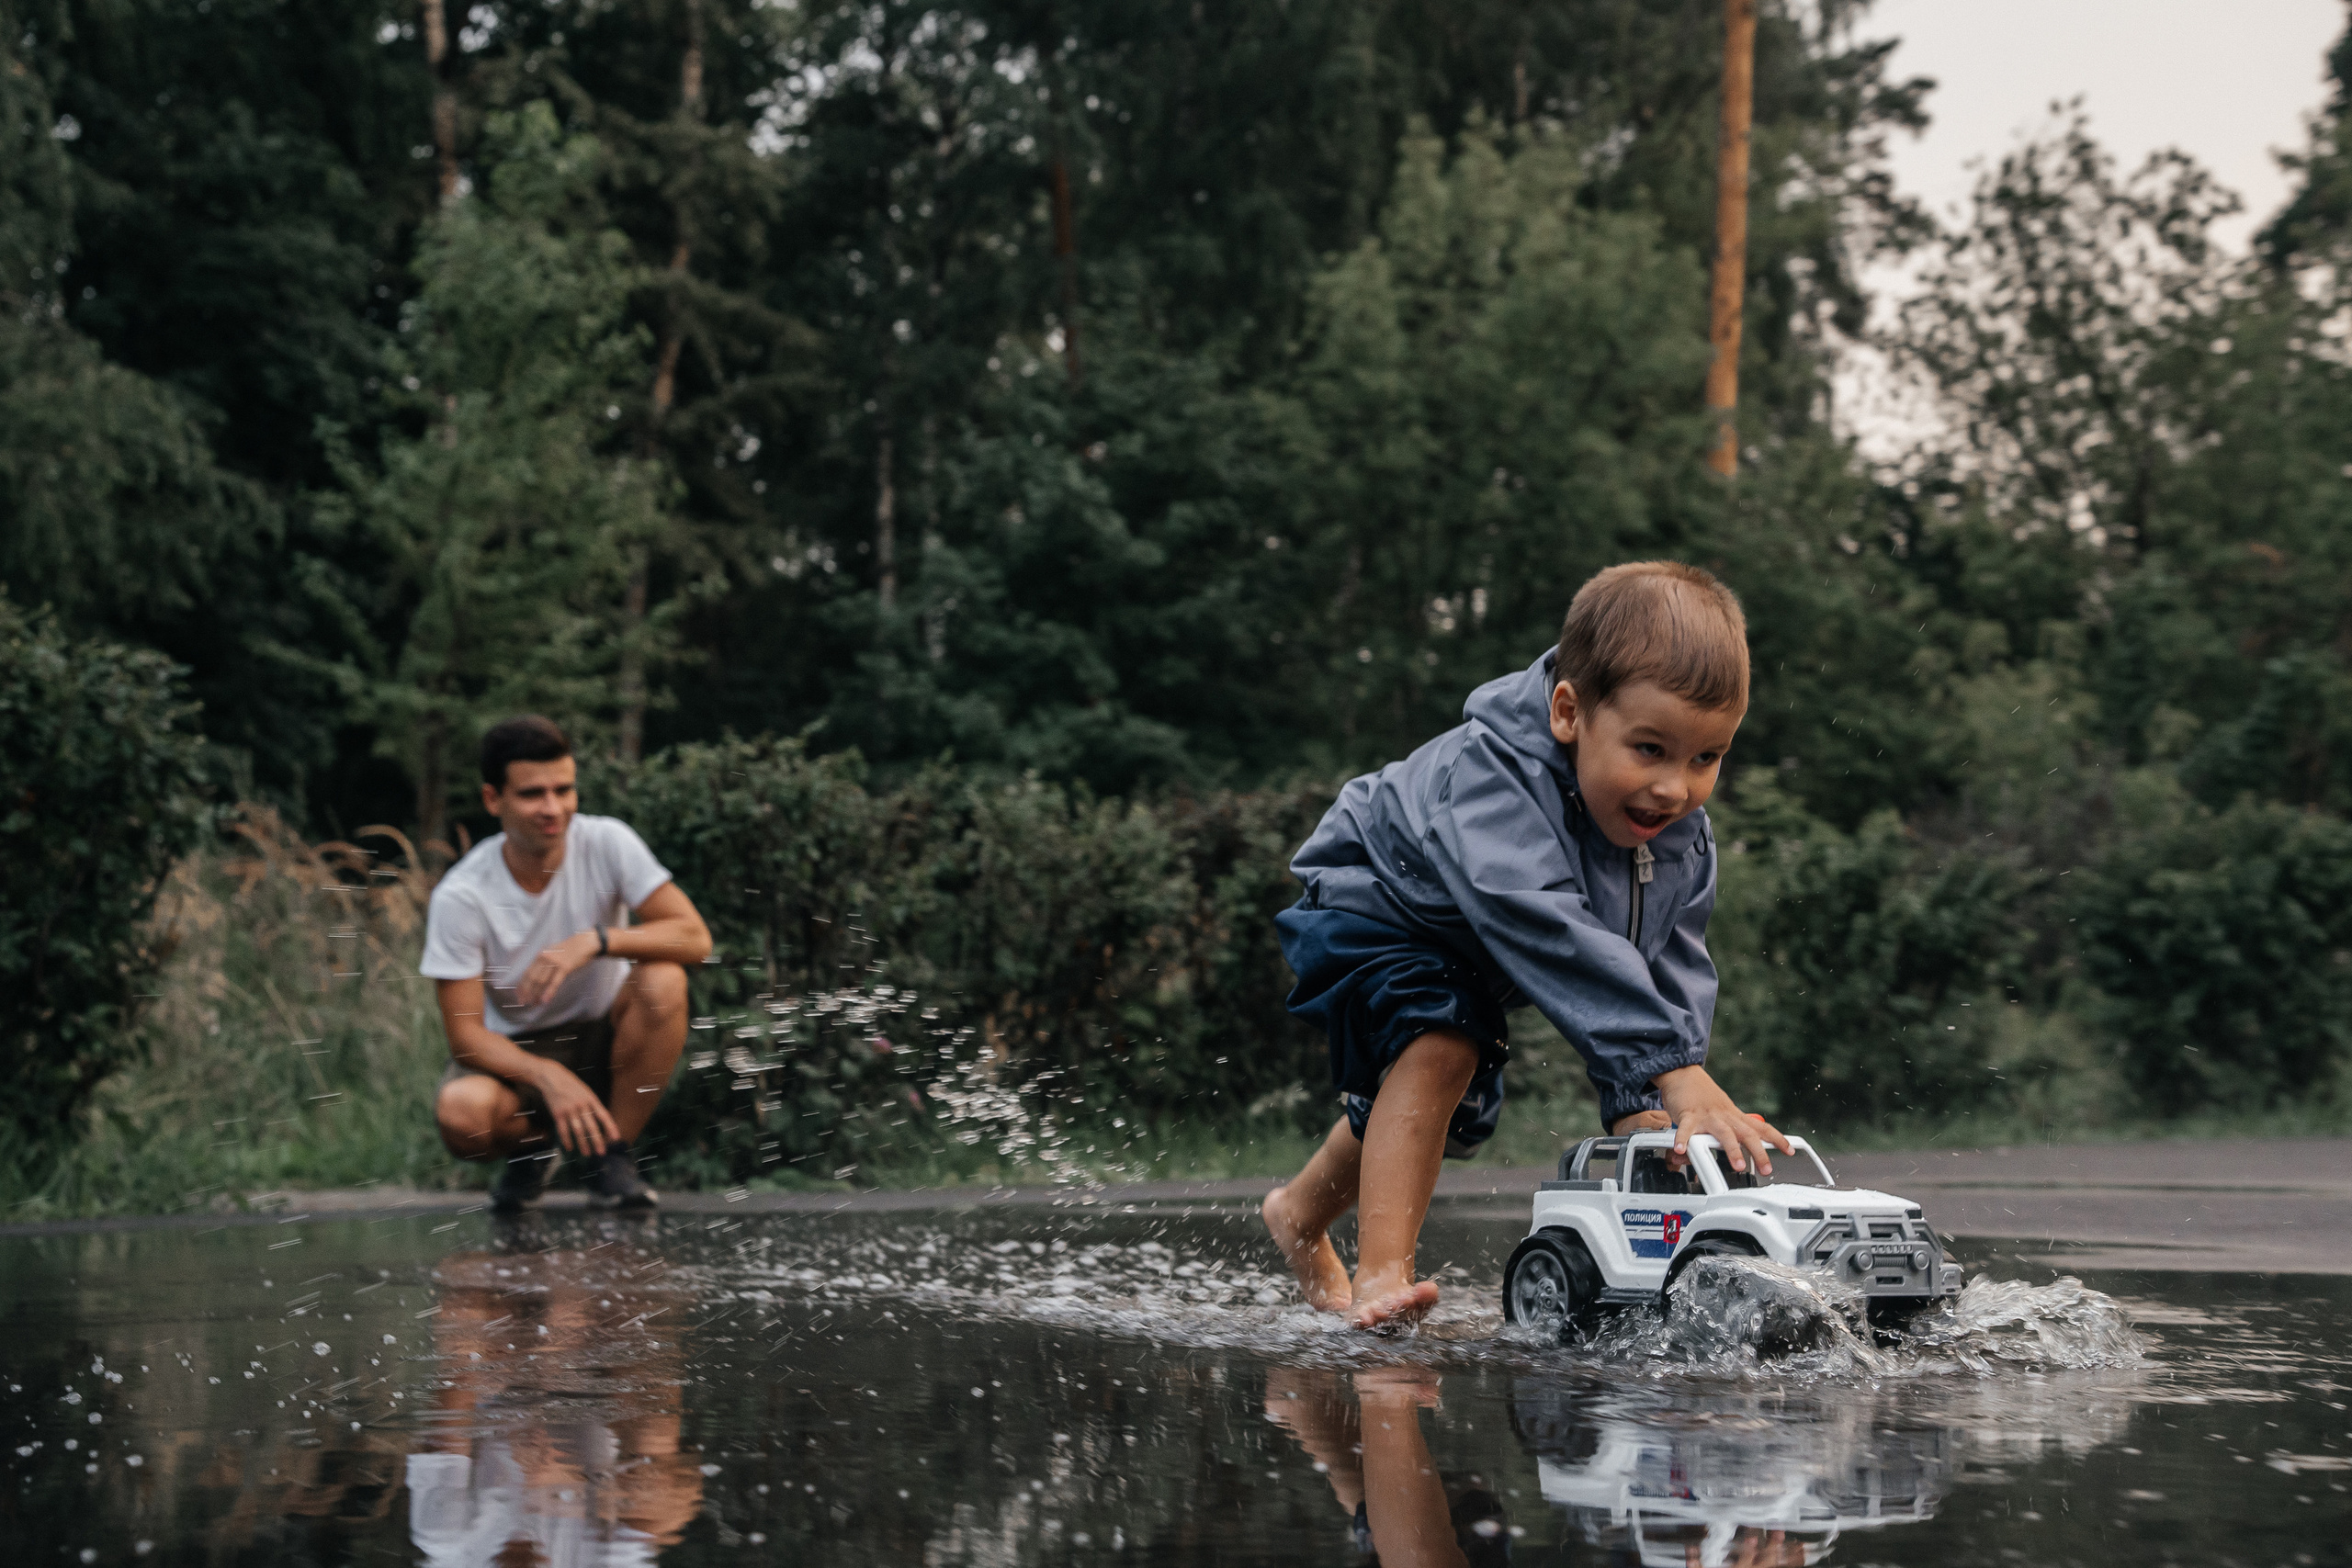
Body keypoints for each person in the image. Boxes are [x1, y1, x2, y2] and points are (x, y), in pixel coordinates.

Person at [1261, 561, 1790, 1329]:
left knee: (1444, 1097)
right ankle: (1382, 1278)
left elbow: (1670, 960)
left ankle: (1300, 1214)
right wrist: (1669, 1069)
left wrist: (1644, 1099)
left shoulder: (1677, 836)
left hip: (1469, 945)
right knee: (1439, 1042)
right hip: (1369, 896)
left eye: (1705, 758)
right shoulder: (1493, 776)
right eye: (1650, 749)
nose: (1676, 788)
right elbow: (1540, 918)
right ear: (1569, 713)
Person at [422, 716, 712, 1211]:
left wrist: (596, 941)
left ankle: (610, 1156)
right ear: (494, 800)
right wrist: (547, 1077)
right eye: (533, 794)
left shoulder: (607, 842)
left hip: (607, 1030)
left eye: (564, 790)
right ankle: (535, 1151)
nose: (553, 809)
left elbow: (694, 938)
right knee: (462, 1114)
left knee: (664, 980)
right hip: (517, 1051)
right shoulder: (462, 895)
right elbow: (466, 1038)